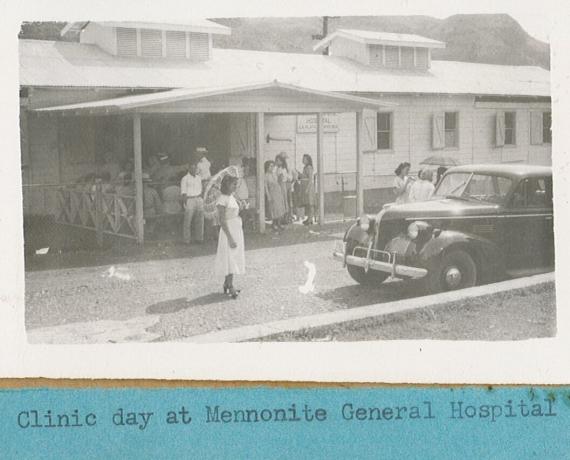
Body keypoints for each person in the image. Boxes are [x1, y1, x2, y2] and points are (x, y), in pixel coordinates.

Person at [215, 175, 245, 299]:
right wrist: (230, 238)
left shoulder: (232, 197)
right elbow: (222, 220)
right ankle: (230, 285)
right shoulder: (222, 199)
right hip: (228, 231)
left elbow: (234, 211)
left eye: (236, 184)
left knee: (233, 257)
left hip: (236, 228)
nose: (235, 186)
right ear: (226, 185)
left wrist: (241, 205)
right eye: (233, 184)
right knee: (230, 257)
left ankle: (227, 283)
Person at [180, 162, 204, 245]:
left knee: (200, 219)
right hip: (189, 199)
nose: (194, 170)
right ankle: (186, 240)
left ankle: (199, 238)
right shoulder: (185, 178)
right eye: (192, 168)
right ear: (189, 169)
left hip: (198, 198)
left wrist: (201, 198)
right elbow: (183, 192)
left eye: (195, 168)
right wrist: (184, 203)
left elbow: (201, 189)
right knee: (188, 220)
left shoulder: (199, 178)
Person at [264, 160, 286, 232]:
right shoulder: (265, 176)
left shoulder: (274, 174)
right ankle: (274, 224)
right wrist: (268, 196)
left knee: (279, 208)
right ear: (267, 167)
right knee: (274, 209)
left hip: (278, 193)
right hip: (272, 193)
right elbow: (266, 187)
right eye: (270, 166)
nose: (272, 168)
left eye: (273, 166)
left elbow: (277, 183)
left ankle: (279, 223)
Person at [142, 173, 163, 237]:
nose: (144, 184)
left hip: (149, 210)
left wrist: (159, 212)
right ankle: (147, 233)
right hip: (143, 211)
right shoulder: (135, 191)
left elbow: (158, 203)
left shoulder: (152, 191)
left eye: (145, 182)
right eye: (143, 182)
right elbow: (158, 203)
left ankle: (149, 232)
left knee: (151, 221)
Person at [275, 153, 293, 223]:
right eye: (276, 160)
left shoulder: (281, 169)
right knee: (283, 201)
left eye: (278, 161)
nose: (277, 162)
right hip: (281, 185)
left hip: (281, 185)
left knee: (283, 201)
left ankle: (285, 218)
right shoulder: (278, 169)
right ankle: (284, 218)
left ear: (281, 162)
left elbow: (281, 178)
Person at [299, 154, 316, 225]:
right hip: (304, 186)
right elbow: (304, 177)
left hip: (308, 187)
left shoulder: (309, 167)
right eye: (303, 159)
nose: (303, 160)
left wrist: (307, 189)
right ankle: (309, 218)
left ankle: (310, 219)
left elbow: (310, 179)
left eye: (304, 159)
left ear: (308, 160)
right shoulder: (304, 167)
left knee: (310, 203)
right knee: (307, 204)